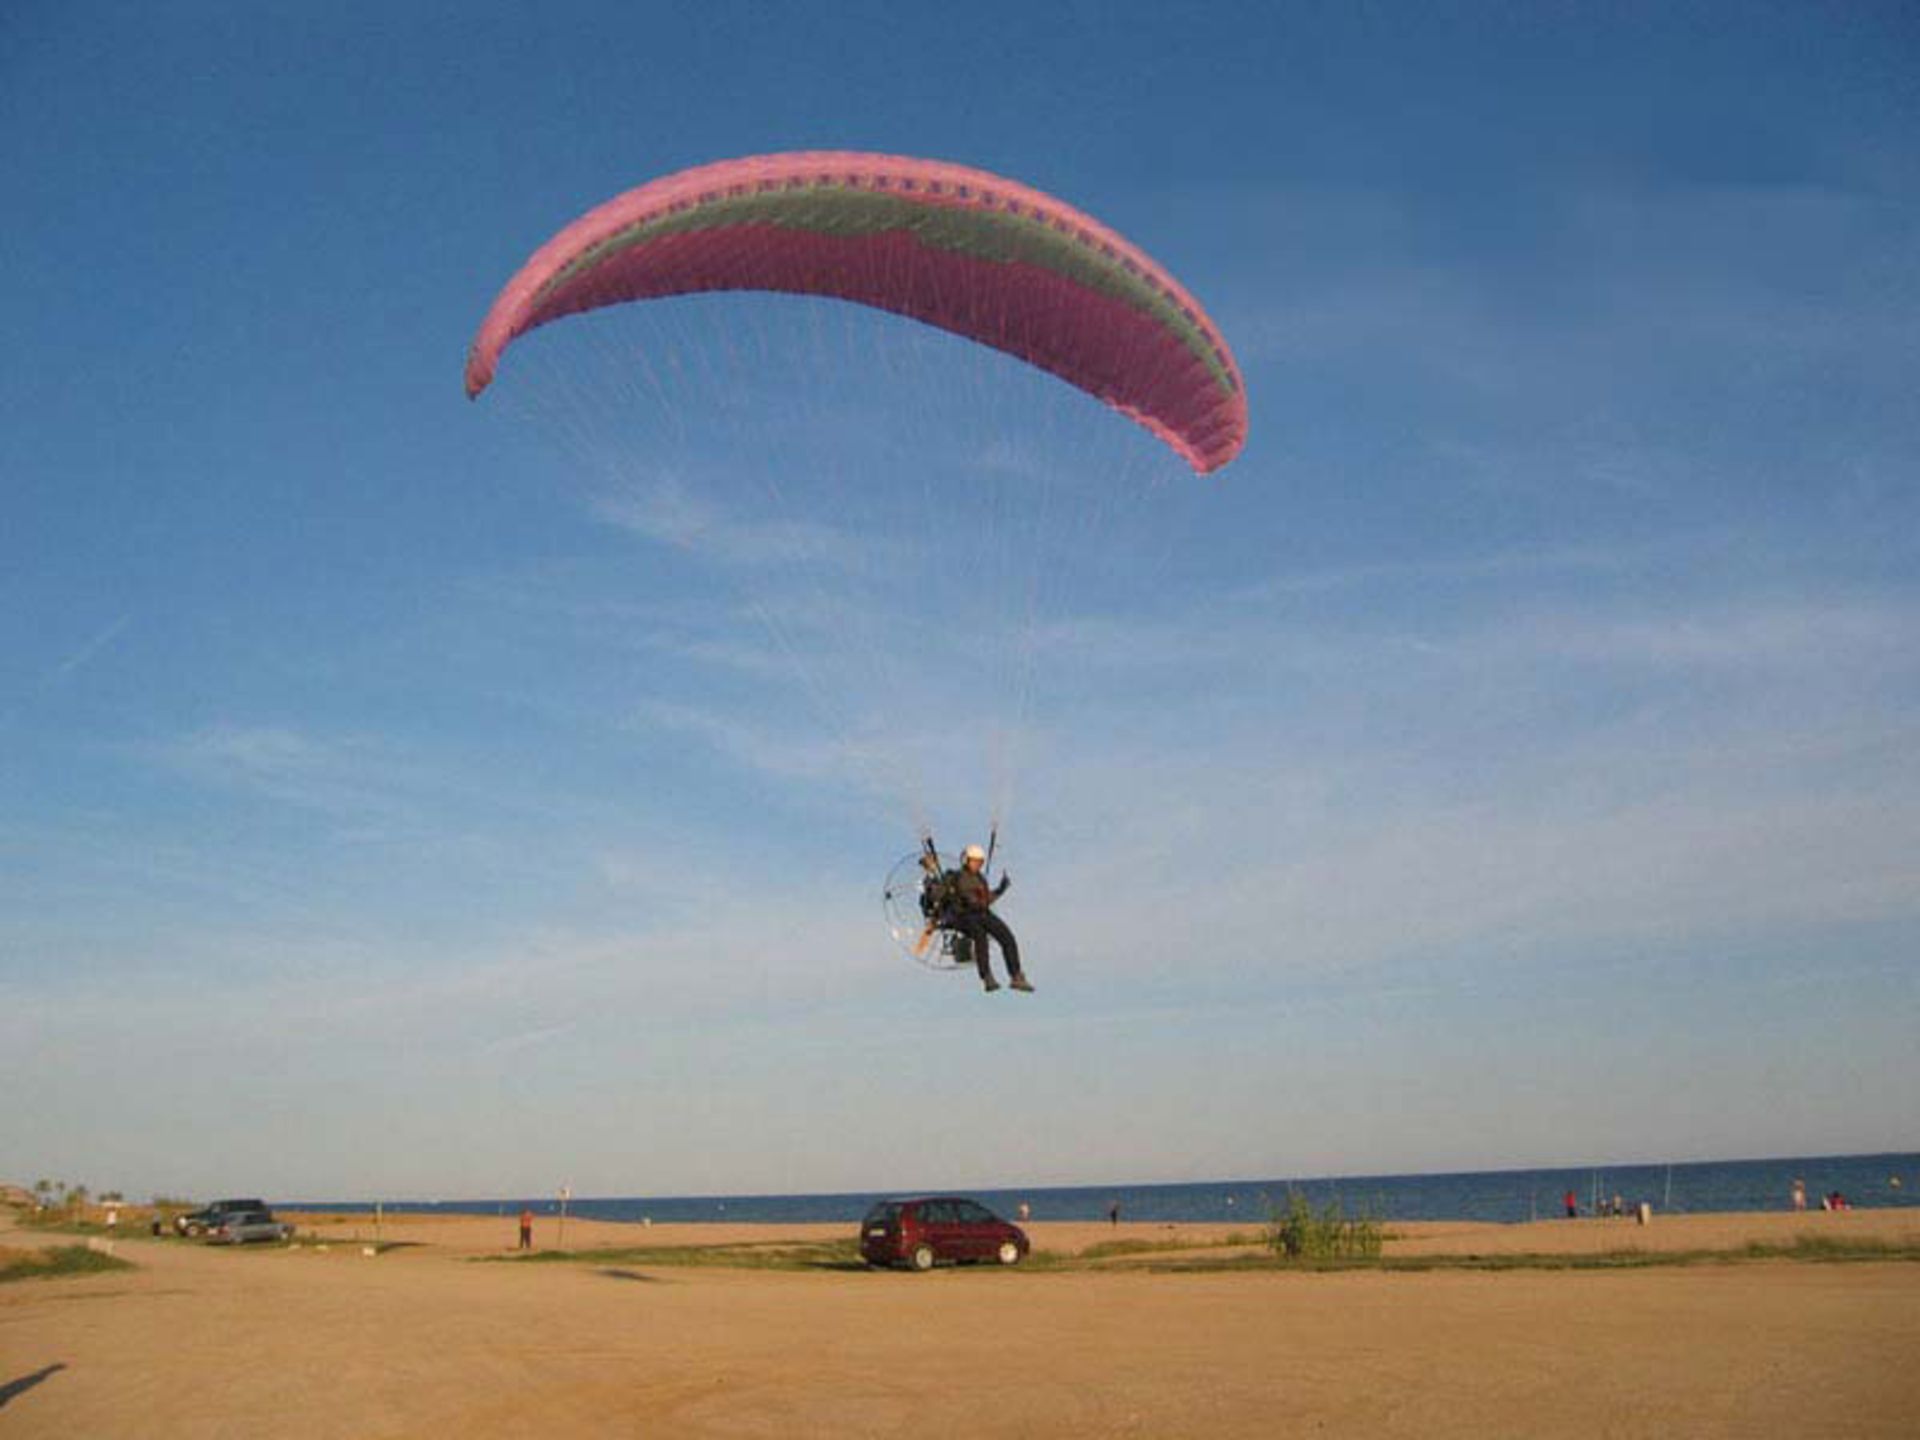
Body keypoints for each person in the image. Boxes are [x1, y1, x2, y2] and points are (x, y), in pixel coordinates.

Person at [942, 843, 1031, 994]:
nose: (978, 865)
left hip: (982, 913)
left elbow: (985, 899)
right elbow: (968, 897)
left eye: (980, 862)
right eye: (974, 861)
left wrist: (1001, 889)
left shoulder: (980, 879)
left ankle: (1016, 976)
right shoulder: (959, 877)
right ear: (966, 860)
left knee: (1007, 937)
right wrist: (979, 900)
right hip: (964, 915)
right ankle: (987, 977)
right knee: (980, 936)